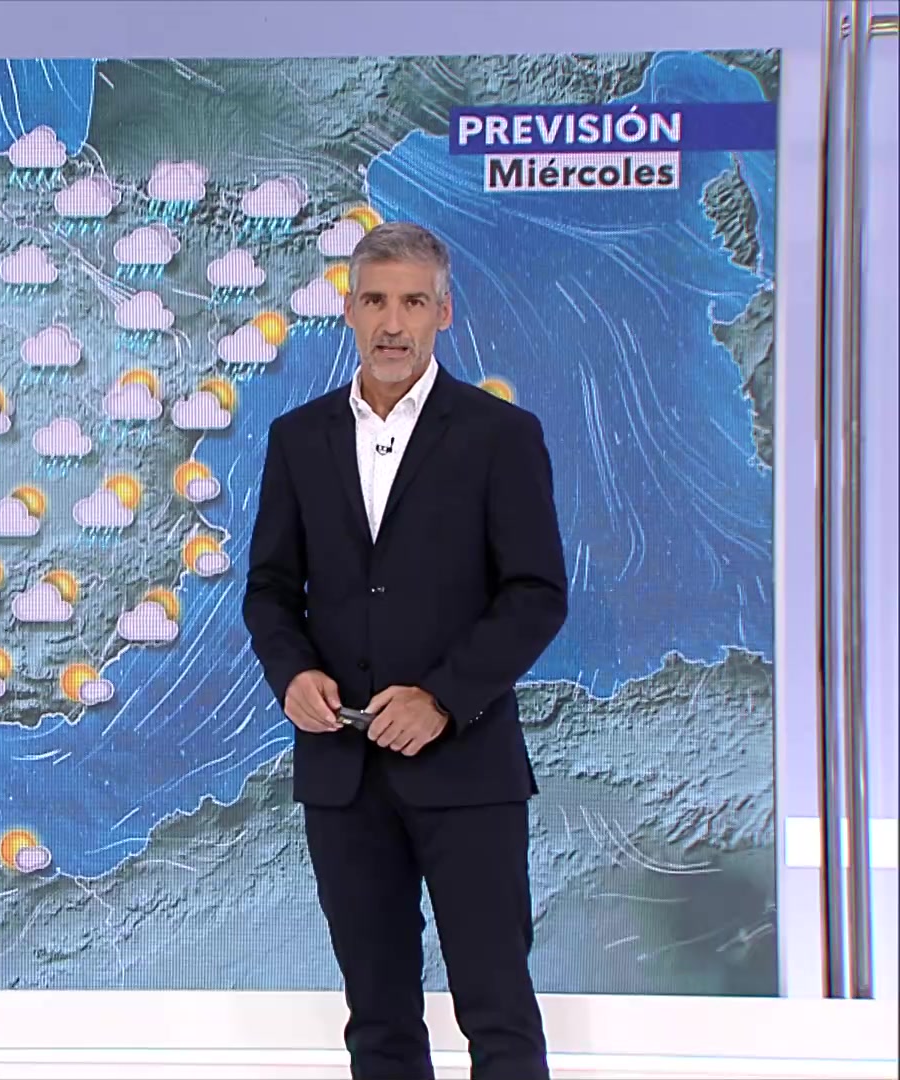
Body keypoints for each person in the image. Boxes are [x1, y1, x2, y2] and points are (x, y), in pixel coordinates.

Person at [242, 221, 569, 1080]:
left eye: (414, 302)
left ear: (443, 313)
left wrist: (442, 699)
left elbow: (536, 594)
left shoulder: (502, 436)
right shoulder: (297, 438)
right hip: (342, 778)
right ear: (348, 310)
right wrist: (292, 673)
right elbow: (270, 589)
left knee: (498, 1012)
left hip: (468, 773)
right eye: (376, 301)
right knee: (378, 1021)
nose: (393, 323)